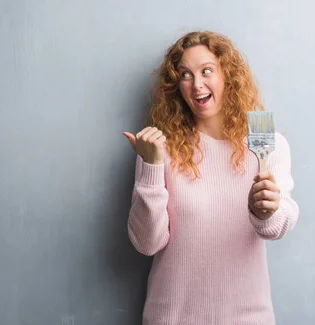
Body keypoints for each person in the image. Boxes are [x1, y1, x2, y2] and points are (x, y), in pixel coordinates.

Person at [122, 30, 300, 324]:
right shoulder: (158, 149)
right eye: (185, 75)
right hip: (172, 317)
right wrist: (151, 168)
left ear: (227, 74)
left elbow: (280, 224)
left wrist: (267, 209)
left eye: (207, 71)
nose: (197, 84)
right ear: (176, 86)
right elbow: (146, 243)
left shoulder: (268, 144)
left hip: (248, 317)